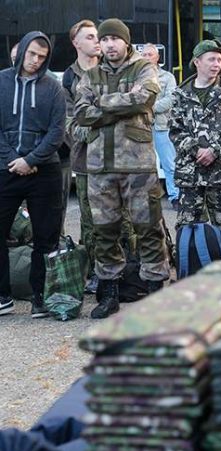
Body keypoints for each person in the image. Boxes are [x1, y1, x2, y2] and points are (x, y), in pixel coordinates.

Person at [75, 18, 170, 319]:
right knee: (105, 232)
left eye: (116, 39)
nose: (110, 44)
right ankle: (110, 293)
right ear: (100, 45)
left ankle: (156, 290)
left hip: (137, 165)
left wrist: (101, 104)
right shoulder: (90, 75)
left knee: (148, 229)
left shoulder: (143, 68)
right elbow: (80, 113)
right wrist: (121, 105)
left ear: (126, 42)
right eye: (105, 40)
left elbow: (146, 98)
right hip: (100, 167)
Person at [0, 32, 66, 317]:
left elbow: (57, 132)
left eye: (42, 57)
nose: (36, 61)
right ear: (22, 51)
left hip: (44, 170)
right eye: (32, 54)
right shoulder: (1, 81)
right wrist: (14, 159)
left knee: (46, 237)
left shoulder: (53, 87)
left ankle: (40, 296)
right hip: (6, 168)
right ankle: (3, 296)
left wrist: (31, 159)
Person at [169, 40, 221, 234]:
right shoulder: (181, 94)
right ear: (197, 62)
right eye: (211, 59)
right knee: (187, 227)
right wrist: (196, 149)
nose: (217, 64)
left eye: (219, 59)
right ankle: (190, 263)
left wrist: (214, 151)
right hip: (190, 173)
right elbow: (175, 130)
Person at [62, 19, 104, 294]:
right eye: (89, 37)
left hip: (119, 160)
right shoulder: (69, 77)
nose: (97, 40)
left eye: (97, 36)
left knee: (120, 219)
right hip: (87, 160)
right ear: (76, 43)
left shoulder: (113, 69)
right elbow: (67, 122)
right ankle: (94, 273)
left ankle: (119, 271)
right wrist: (95, 134)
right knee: (90, 221)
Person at [141, 43, 180, 209]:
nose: (147, 58)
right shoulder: (136, 76)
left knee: (169, 164)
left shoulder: (168, 77)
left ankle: (175, 197)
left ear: (157, 57)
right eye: (144, 55)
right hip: (140, 127)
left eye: (150, 54)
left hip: (161, 127)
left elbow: (171, 99)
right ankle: (144, 199)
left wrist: (149, 108)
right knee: (142, 166)